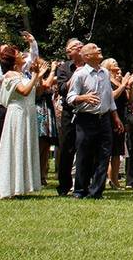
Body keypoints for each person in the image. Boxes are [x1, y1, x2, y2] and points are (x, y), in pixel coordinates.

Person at [0, 50, 53, 199]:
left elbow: (35, 93)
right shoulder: (10, 75)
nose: (23, 55)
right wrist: (36, 75)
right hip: (17, 114)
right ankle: (9, 186)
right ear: (13, 59)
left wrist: (40, 75)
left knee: (25, 146)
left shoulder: (23, 75)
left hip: (28, 112)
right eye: (19, 54)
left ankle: (22, 186)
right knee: (16, 146)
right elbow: (24, 91)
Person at [66, 43, 123, 199]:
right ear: (87, 56)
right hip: (86, 119)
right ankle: (80, 191)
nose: (98, 49)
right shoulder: (80, 74)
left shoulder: (105, 73)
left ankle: (96, 191)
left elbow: (109, 97)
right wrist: (83, 97)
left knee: (104, 156)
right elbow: (70, 97)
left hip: (104, 119)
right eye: (94, 48)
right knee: (84, 156)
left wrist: (115, 117)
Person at [0, 31, 38, 187]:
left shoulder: (21, 72)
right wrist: (33, 75)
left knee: (21, 145)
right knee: (3, 145)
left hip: (24, 110)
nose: (22, 55)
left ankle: (20, 182)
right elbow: (10, 82)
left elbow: (33, 57)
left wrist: (32, 42)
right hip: (4, 108)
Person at [54, 38, 83, 196]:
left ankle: (82, 184)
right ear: (69, 52)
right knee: (66, 148)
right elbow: (62, 89)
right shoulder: (65, 68)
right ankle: (64, 186)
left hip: (86, 112)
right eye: (74, 46)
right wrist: (76, 75)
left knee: (85, 148)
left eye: (80, 45)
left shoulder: (90, 66)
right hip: (69, 112)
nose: (79, 47)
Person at [102, 58, 133, 190]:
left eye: (116, 61)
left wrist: (129, 86)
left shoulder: (119, 80)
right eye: (113, 62)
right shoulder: (106, 79)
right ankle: (106, 179)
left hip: (120, 116)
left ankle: (115, 180)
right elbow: (111, 96)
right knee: (108, 151)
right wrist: (122, 85)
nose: (116, 63)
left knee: (117, 152)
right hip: (109, 117)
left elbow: (128, 99)